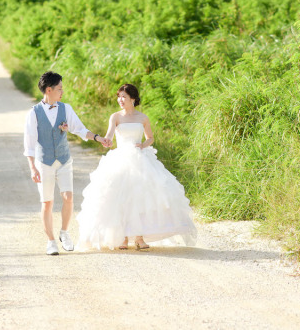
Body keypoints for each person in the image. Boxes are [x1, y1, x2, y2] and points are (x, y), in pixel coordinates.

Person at [76, 84, 197, 251]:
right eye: (119, 97)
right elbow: (110, 135)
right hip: (121, 158)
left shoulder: (143, 118)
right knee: (122, 195)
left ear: (133, 98)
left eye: (124, 96)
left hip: (140, 158)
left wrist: (143, 145)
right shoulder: (115, 117)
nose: (120, 100)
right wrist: (106, 140)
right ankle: (123, 238)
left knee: (142, 195)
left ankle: (139, 238)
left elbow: (151, 138)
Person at [24, 71, 110, 255]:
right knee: (47, 202)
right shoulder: (34, 113)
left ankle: (64, 232)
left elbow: (80, 129)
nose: (62, 92)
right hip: (43, 162)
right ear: (49, 89)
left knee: (68, 197)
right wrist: (32, 167)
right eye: (59, 89)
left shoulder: (66, 108)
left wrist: (97, 138)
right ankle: (51, 241)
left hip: (63, 160)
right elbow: (29, 143)